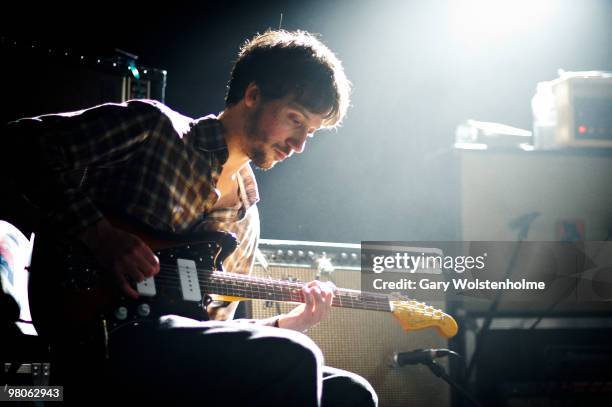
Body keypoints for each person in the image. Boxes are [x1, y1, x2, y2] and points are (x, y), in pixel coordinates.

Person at [1, 30, 377, 406]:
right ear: (253, 95)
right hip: (104, 334)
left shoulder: (246, 219)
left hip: (175, 355)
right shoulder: (155, 130)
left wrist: (289, 325)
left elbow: (213, 329)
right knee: (296, 355)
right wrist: (101, 235)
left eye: (310, 132)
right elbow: (20, 145)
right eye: (296, 120)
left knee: (351, 392)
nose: (299, 145)